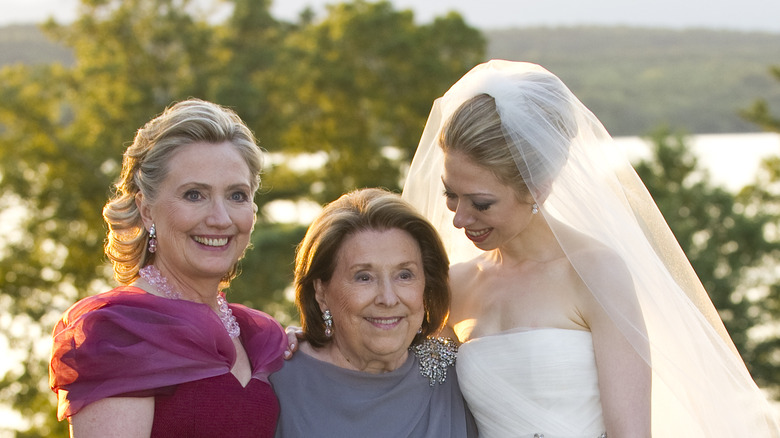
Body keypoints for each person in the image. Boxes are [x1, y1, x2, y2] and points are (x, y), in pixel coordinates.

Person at [402, 60, 780, 437]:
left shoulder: (595, 272)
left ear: (538, 187)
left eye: (481, 203)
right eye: (451, 195)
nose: (459, 219)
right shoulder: (456, 284)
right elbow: (415, 398)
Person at [49, 98, 287, 437]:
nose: (220, 219)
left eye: (237, 195)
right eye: (194, 195)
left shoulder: (259, 337)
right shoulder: (121, 332)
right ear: (146, 210)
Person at [270, 188, 477, 437]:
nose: (388, 299)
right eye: (364, 277)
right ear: (321, 291)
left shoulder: (460, 374)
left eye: (404, 275)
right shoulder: (277, 378)